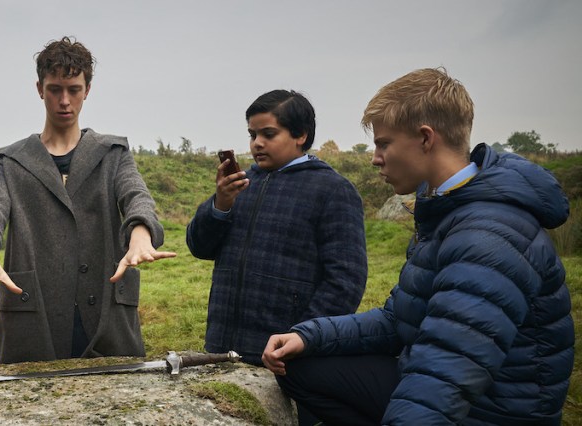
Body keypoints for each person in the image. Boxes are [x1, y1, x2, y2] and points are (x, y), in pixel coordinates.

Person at [262, 68, 573, 425]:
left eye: (384, 143)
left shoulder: (487, 234)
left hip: (491, 411)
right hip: (455, 386)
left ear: (426, 139)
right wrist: (308, 336)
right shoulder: (448, 209)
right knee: (301, 365)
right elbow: (400, 320)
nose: (375, 158)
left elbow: (446, 373)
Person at [0, 36, 176, 364]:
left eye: (74, 89)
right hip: (33, 316)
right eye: (55, 89)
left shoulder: (113, 153)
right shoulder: (11, 161)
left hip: (105, 313)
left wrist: (140, 236)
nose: (65, 100)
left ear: (88, 90)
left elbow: (136, 196)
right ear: (40, 88)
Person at [186, 90, 367, 365]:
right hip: (222, 349)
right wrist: (220, 204)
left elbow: (345, 281)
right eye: (252, 134)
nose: (257, 143)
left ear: (301, 135)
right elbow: (199, 246)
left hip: (287, 356)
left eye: (268, 134)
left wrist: (304, 337)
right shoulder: (240, 184)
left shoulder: (332, 190)